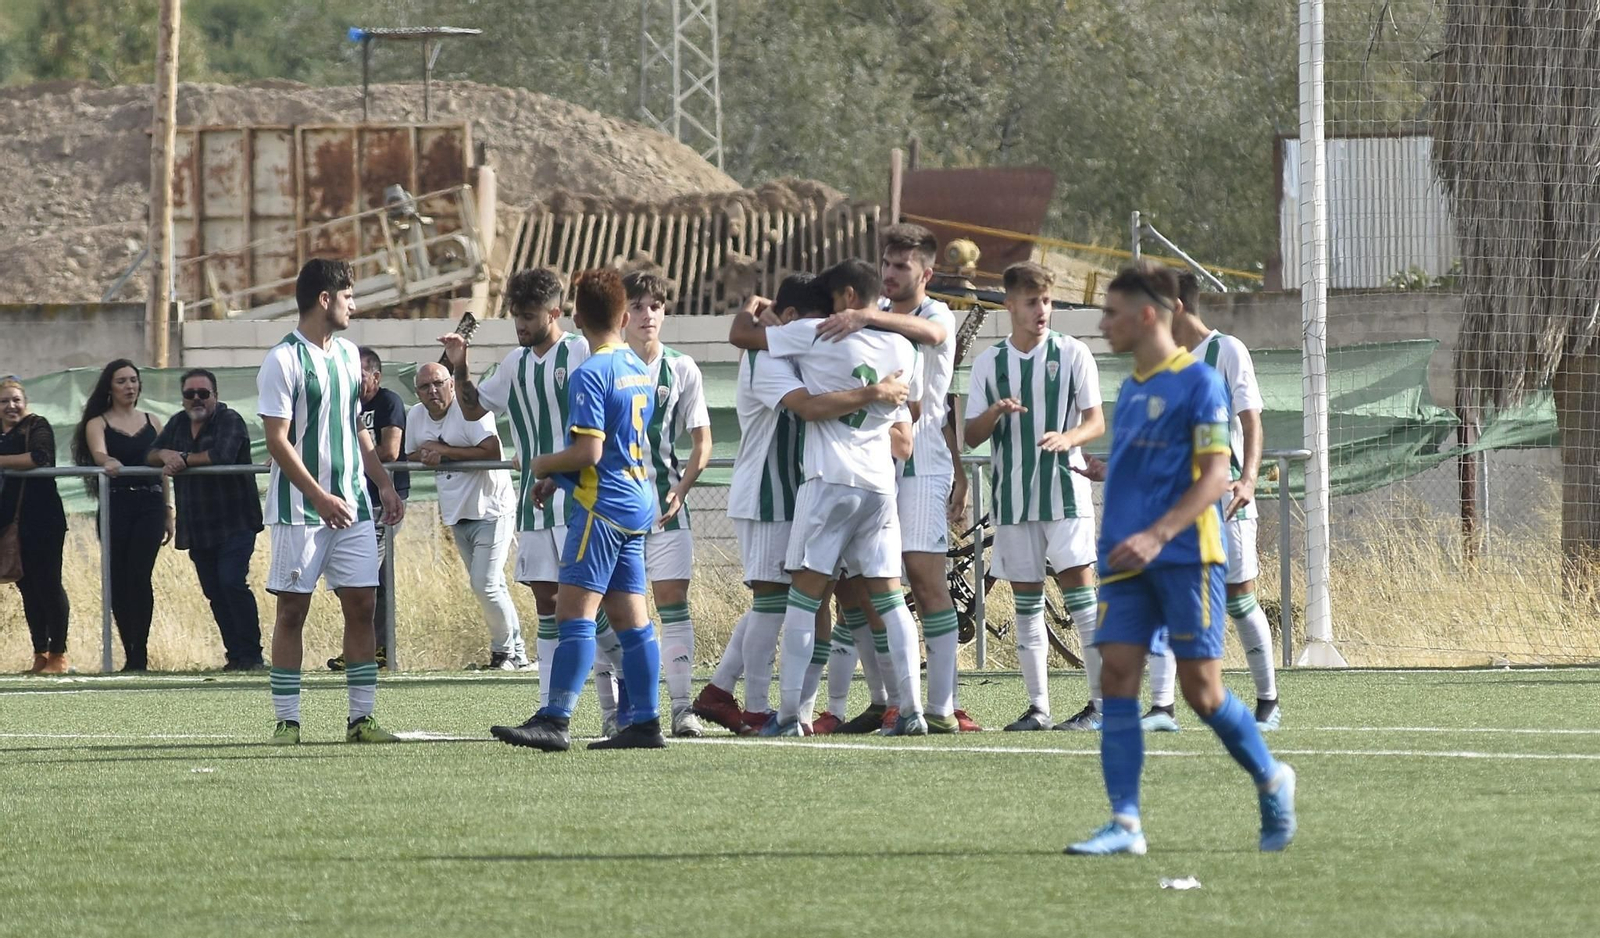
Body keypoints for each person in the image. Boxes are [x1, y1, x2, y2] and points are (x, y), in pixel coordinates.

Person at [1066, 261, 1295, 856]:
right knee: (1116, 677)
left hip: (1187, 556)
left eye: (1111, 313)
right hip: (1126, 558)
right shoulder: (1136, 385)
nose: (1103, 324)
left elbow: (1216, 474)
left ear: (1147, 315)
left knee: (1203, 693)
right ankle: (1125, 824)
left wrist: (1159, 534)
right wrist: (1108, 469)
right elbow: (1153, 468)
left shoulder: (1199, 383)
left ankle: (1272, 777)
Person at [691, 273, 909, 735]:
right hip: (770, 494)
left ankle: (785, 706)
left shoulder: (823, 348)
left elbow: (900, 434)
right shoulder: (766, 356)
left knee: (814, 602)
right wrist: (873, 394)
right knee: (775, 602)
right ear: (790, 320)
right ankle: (752, 706)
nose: (827, 335)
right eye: (818, 324)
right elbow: (806, 405)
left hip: (811, 491)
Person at [483, 268, 667, 753]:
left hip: (600, 506)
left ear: (577, 317)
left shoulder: (591, 371)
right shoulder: (635, 366)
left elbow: (588, 451)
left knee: (572, 613)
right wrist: (556, 476)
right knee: (631, 618)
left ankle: (556, 718)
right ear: (625, 316)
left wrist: (541, 463)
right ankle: (646, 722)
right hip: (635, 499)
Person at [441, 268, 631, 724]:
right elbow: (472, 407)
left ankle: (625, 685)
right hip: (533, 503)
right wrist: (460, 363)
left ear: (555, 312)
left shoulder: (582, 351)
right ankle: (550, 707)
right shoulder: (514, 364)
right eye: (515, 317)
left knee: (587, 605)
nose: (520, 326)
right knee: (547, 603)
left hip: (580, 498)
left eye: (528, 316)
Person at [816, 224, 978, 734]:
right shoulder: (874, 313)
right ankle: (887, 699)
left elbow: (932, 340)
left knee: (926, 579)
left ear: (926, 273)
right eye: (886, 263)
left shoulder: (935, 314)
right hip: (874, 463)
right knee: (862, 586)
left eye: (902, 266)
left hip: (922, 464)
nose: (890, 273)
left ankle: (942, 706)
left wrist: (865, 315)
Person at [257, 258, 406, 745]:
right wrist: (319, 497)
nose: (354, 306)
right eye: (349, 296)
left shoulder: (347, 355)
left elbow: (356, 427)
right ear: (326, 299)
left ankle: (361, 719)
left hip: (354, 507)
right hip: (301, 509)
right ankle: (287, 721)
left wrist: (381, 483)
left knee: (363, 606)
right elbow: (277, 441)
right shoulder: (282, 359)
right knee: (291, 612)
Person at [963, 262, 1105, 731]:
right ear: (1010, 306)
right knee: (1027, 606)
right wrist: (997, 414)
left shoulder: (1073, 353)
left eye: (1046, 301)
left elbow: (1096, 421)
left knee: (1081, 599)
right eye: (1031, 302)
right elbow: (970, 435)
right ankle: (1039, 708)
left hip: (1066, 495)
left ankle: (1103, 707)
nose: (1042, 310)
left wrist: (1069, 438)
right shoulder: (990, 363)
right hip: (1013, 500)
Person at [1144, 271, 1280, 731]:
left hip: (1225, 501)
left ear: (1177, 307)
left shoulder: (1228, 351)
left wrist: (1248, 479)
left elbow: (1252, 420)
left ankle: (1268, 702)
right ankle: (1161, 709)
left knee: (1240, 599)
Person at [620, 268, 713, 737]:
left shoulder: (682, 367)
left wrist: (683, 488)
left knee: (673, 605)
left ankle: (681, 708)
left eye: (654, 306)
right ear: (622, 313)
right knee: (623, 613)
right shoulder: (607, 363)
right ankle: (629, 709)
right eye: (637, 306)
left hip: (666, 510)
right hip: (617, 513)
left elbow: (702, 443)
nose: (647, 315)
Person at [405, 362, 530, 670]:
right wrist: (427, 454)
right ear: (417, 392)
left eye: (438, 383)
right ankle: (517, 653)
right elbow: (409, 453)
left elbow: (491, 451)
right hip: (456, 511)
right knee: (491, 584)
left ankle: (505, 652)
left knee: (484, 583)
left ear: (451, 384)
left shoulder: (469, 410)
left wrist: (444, 451)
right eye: (425, 386)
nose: (432, 391)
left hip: (491, 507)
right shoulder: (416, 416)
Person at [148, 369, 265, 671]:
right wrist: (166, 455)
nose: (197, 399)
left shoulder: (230, 420)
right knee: (214, 590)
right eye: (190, 394)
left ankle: (252, 655)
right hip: (198, 524)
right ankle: (235, 656)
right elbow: (150, 454)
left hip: (235, 520)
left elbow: (222, 454)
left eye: (203, 393)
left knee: (232, 582)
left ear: (216, 395)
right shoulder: (177, 423)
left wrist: (183, 459)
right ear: (183, 398)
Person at [72, 358, 172, 672]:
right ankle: (129, 651)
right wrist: (108, 461)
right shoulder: (97, 423)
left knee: (139, 576)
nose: (129, 386)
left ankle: (139, 654)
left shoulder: (153, 421)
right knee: (119, 579)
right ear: (110, 387)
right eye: (122, 381)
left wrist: (169, 510)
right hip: (116, 505)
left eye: (133, 380)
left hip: (150, 505)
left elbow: (163, 470)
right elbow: (99, 453)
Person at [327, 347, 410, 670]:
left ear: (375, 376)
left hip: (382, 502)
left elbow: (390, 451)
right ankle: (371, 646)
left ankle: (371, 649)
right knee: (361, 577)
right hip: (350, 501)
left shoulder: (388, 402)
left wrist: (350, 458)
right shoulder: (342, 404)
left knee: (361, 577)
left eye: (359, 374)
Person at [0, 377, 71, 674]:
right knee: (27, 587)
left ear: (25, 401)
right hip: (8, 522)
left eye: (16, 399)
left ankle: (59, 654)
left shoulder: (37, 425)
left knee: (49, 585)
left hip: (44, 519)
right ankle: (40, 653)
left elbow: (40, 457)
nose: (11, 406)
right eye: (4, 401)